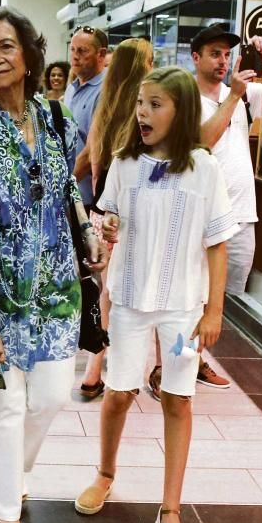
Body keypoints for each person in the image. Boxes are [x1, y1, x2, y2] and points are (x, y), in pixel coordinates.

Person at [0, 6, 107, 523]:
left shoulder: (57, 118)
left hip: (58, 289)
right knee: (3, 406)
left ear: (28, 56)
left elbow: (67, 189)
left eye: (4, 47)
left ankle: (10, 470)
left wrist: (88, 231)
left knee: (48, 398)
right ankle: (4, 510)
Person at [74, 66, 240, 523]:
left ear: (181, 109)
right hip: (128, 304)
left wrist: (214, 310)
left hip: (183, 313)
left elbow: (217, 246)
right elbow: (109, 220)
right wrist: (106, 236)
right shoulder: (125, 164)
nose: (143, 113)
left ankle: (170, 511)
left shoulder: (203, 167)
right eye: (141, 103)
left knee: (178, 400)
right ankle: (105, 474)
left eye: (156, 104)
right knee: (119, 394)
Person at [146, 23, 262, 397]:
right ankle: (164, 367)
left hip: (239, 214)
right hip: (194, 215)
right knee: (184, 294)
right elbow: (200, 142)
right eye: (215, 53)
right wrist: (233, 97)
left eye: (227, 54)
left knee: (218, 299)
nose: (223, 60)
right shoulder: (182, 98)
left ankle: (192, 358)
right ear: (196, 57)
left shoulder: (245, 93)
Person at [73, 38, 154, 400]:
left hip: (104, 211)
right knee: (142, 291)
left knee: (106, 291)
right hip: (142, 214)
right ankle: (137, 365)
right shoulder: (148, 111)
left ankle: (94, 368)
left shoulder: (103, 108)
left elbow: (90, 164)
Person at [65, 26, 108, 214]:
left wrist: (64, 190)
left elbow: (93, 151)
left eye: (82, 51)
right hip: (69, 192)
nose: (75, 56)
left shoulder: (106, 91)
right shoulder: (71, 88)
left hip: (86, 199)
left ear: (101, 54)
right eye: (73, 49)